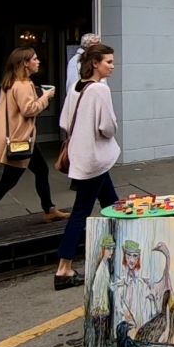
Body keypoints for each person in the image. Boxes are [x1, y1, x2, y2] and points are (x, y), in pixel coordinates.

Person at [0, 47, 68, 240]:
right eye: (34, 59)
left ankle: (49, 209)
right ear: (25, 63)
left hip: (23, 139)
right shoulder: (22, 84)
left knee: (41, 170)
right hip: (21, 141)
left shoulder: (13, 82)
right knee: (7, 182)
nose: (38, 61)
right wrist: (46, 97)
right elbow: (29, 110)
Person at [54, 43, 120, 290]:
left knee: (113, 206)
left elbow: (64, 121)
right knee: (81, 211)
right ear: (95, 63)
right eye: (108, 62)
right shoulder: (101, 90)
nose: (112, 66)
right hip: (95, 159)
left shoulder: (76, 87)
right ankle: (64, 269)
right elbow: (108, 128)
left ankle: (121, 253)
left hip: (82, 157)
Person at [66, 33, 104, 97]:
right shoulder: (76, 61)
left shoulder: (95, 59)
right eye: (96, 44)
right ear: (87, 46)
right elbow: (72, 84)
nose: (99, 47)